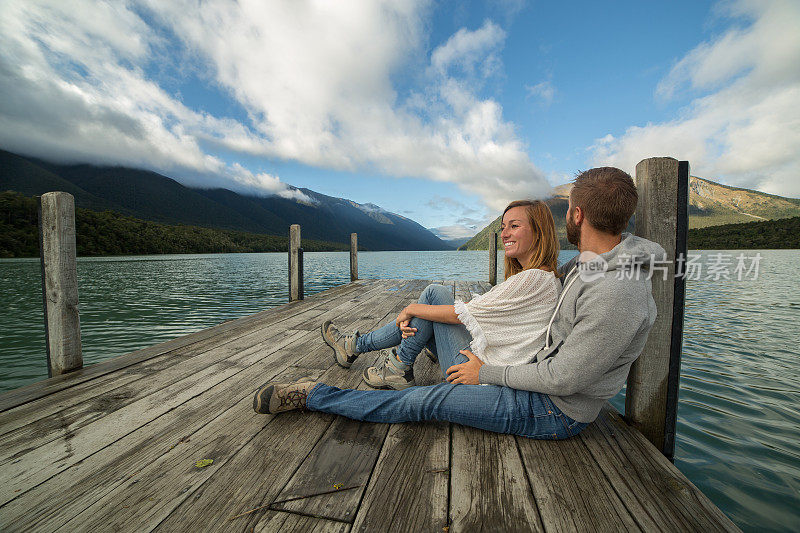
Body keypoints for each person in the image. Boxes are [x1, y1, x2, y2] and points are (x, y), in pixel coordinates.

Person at [253, 167, 665, 440]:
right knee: (436, 306)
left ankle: (314, 396)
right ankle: (392, 363)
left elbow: (564, 381)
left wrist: (486, 371)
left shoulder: (617, 290)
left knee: (425, 401)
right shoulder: (591, 268)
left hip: (554, 411)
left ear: (576, 214)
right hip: (529, 377)